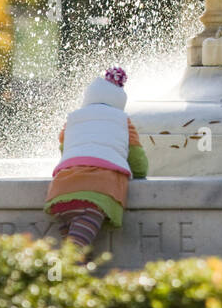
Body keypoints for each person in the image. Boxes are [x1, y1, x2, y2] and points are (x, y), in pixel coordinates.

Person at [44, 66, 148, 253]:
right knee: (74, 255)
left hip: (61, 193)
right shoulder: (123, 121)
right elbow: (138, 161)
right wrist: (139, 175)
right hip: (94, 196)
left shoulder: (72, 119)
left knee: (76, 256)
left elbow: (64, 150)